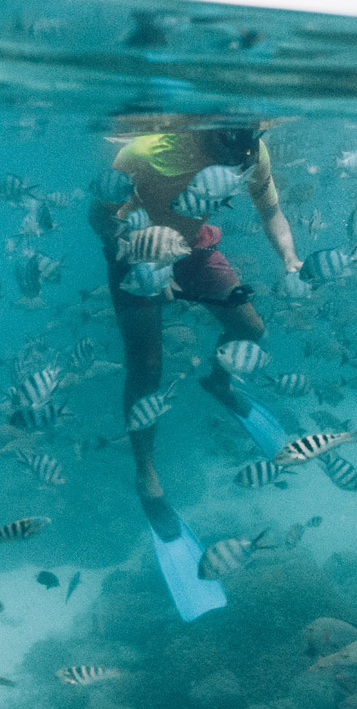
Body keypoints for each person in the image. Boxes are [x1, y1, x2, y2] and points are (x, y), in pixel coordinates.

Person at [90, 122, 303, 505]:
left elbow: (271, 211)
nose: (242, 150)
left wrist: (290, 257)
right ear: (207, 124)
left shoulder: (252, 154)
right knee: (147, 367)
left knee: (250, 330)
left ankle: (217, 382)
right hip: (138, 256)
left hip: (189, 247)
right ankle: (145, 468)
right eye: (231, 136)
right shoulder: (146, 152)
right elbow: (100, 217)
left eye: (252, 136)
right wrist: (141, 259)